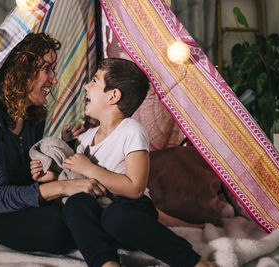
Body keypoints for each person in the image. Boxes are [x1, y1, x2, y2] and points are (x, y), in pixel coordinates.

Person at [0, 32, 107, 254]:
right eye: (46, 68)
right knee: (58, 224)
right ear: (22, 70)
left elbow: (24, 178)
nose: (54, 79)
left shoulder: (33, 116)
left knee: (82, 210)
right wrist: (64, 187)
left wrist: (62, 155)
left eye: (53, 69)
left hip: (17, 207)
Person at [61, 58, 214, 267]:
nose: (87, 86)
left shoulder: (131, 129)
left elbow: (134, 188)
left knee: (116, 216)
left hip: (130, 213)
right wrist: (65, 145)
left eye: (94, 81)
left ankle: (193, 262)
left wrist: (90, 168)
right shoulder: (86, 137)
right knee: (76, 204)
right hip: (101, 215)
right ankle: (106, 263)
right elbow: (72, 176)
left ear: (113, 96)